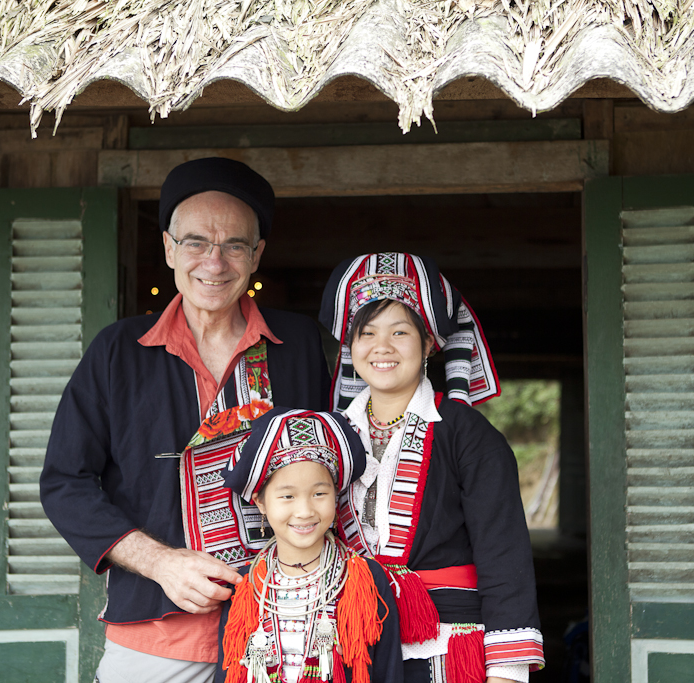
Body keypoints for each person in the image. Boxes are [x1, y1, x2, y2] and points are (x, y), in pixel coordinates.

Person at [39, 158, 331, 683]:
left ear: (257, 255)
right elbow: (65, 484)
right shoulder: (119, 352)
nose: (214, 263)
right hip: (157, 634)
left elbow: (341, 467)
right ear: (170, 248)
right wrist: (161, 563)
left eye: (234, 246)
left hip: (290, 627)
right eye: (196, 242)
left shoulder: (299, 346)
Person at [318, 253, 545, 683]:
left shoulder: (469, 436)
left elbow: (504, 557)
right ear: (350, 346)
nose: (381, 348)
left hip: (447, 648)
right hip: (351, 644)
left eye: (400, 332)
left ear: (428, 345)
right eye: (366, 333)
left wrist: (507, 672)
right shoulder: (329, 434)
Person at [214, 408, 403, 683]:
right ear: (260, 502)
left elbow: (388, 671)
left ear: (335, 494)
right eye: (288, 496)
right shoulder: (246, 586)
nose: (304, 511)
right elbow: (228, 669)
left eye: (319, 493)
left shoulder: (364, 578)